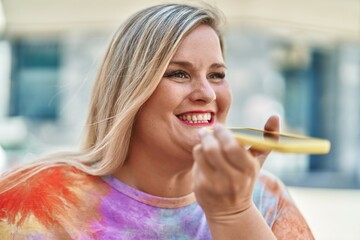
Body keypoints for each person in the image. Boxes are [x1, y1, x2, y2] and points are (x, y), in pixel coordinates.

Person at [0, 3, 314, 239]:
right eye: (179, 73)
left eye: (217, 75)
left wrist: (236, 214)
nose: (207, 93)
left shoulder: (265, 198)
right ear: (130, 89)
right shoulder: (34, 198)